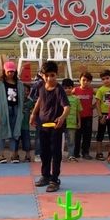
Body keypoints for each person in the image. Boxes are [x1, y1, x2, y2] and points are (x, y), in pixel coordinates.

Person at [31, 61, 70, 192]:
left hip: (55, 128)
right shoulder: (41, 87)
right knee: (44, 152)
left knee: (55, 153)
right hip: (42, 126)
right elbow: (39, 100)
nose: (49, 78)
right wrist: (33, 114)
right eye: (46, 75)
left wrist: (62, 117)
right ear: (42, 75)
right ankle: (45, 176)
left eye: (52, 75)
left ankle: (54, 179)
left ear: (56, 75)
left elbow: (67, 107)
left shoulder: (59, 90)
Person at [0, 61, 24, 164]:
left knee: (15, 132)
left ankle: (13, 154)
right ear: (4, 71)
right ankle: (1, 154)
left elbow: (21, 99)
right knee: (3, 132)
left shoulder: (19, 84)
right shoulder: (0, 84)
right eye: (8, 71)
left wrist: (21, 111)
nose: (10, 73)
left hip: (16, 110)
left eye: (12, 72)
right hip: (4, 111)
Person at [73, 72, 94, 160]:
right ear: (79, 80)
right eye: (83, 80)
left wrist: (92, 107)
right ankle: (75, 153)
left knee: (87, 136)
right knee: (77, 136)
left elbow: (98, 100)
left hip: (88, 117)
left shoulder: (92, 91)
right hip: (77, 117)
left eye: (88, 81)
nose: (85, 82)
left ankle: (85, 152)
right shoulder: (75, 90)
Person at [95, 69, 110, 160]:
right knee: (100, 134)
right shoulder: (100, 90)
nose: (106, 80)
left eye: (107, 78)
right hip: (103, 114)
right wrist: (100, 116)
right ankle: (99, 152)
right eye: (103, 79)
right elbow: (97, 103)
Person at [62, 78, 81, 162]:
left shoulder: (76, 99)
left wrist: (79, 122)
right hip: (61, 123)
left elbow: (78, 111)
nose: (67, 90)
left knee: (71, 141)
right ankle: (58, 155)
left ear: (72, 88)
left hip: (72, 124)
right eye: (65, 88)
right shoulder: (60, 98)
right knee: (59, 141)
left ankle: (71, 155)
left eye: (69, 88)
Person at [20, 84, 34, 162]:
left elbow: (33, 111)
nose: (25, 92)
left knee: (26, 140)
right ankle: (15, 155)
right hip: (17, 125)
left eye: (27, 91)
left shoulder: (30, 101)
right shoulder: (17, 101)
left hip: (25, 125)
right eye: (23, 91)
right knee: (15, 140)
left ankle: (28, 156)